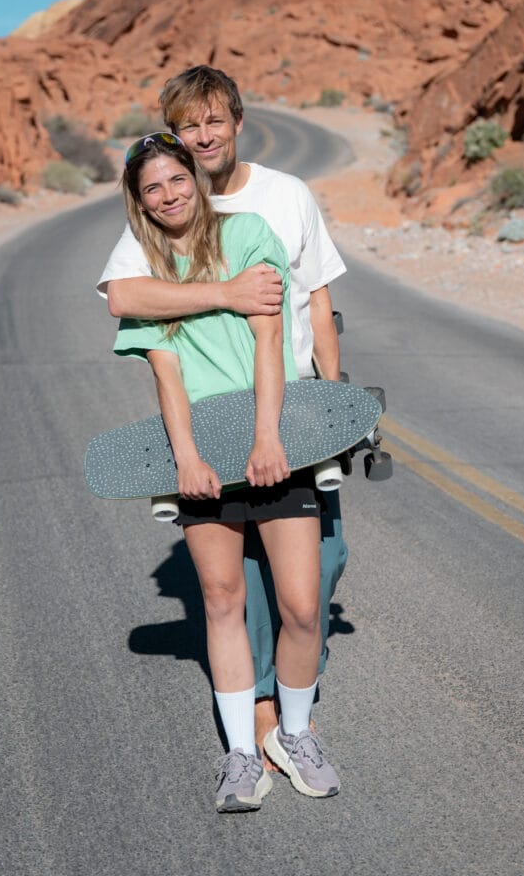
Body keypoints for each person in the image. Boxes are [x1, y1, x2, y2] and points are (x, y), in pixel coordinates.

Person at [97, 66, 347, 754]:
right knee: (235, 592)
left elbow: (318, 304)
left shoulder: (284, 197)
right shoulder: (159, 213)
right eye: (189, 126)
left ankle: (287, 701)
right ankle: (265, 716)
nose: (204, 136)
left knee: (318, 574)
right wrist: (228, 292)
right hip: (216, 422)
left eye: (214, 121)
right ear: (174, 136)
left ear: (238, 121)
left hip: (296, 414)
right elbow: (126, 299)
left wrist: (336, 403)